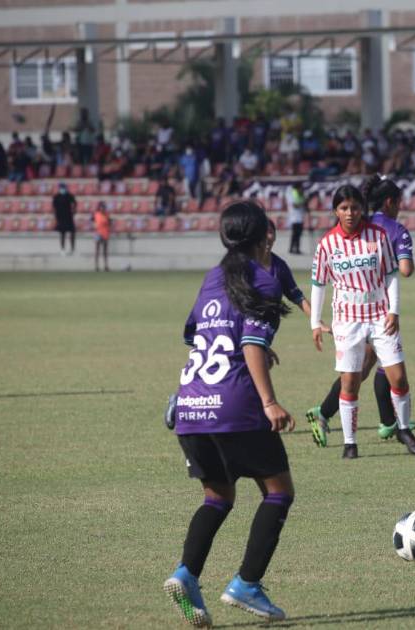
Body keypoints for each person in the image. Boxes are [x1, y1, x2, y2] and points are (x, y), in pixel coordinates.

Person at [164, 200, 295, 626]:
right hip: (234, 406)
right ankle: (246, 585)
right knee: (278, 492)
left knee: (218, 497)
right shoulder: (264, 278)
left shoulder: (212, 277)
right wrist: (270, 402)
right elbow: (251, 343)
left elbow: (195, 334)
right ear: (264, 237)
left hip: (191, 405)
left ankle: (186, 574)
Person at [306, 176, 415, 455]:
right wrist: (315, 322)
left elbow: (392, 274)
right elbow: (319, 284)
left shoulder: (378, 236)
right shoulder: (327, 244)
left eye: (355, 208)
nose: (350, 213)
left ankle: (403, 429)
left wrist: (394, 311)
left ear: (362, 209)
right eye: (344, 208)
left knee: (398, 377)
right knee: (350, 381)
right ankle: (350, 443)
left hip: (380, 315)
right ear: (336, 211)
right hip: (347, 320)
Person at [52, 182, 77, 254]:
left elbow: (75, 203)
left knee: (72, 232)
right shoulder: (56, 197)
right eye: (61, 187)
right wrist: (56, 217)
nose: (62, 189)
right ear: (59, 188)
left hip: (69, 216)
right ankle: (62, 249)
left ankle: (72, 249)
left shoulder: (69, 195)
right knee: (62, 233)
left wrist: (74, 210)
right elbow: (54, 207)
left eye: (63, 187)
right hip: (61, 217)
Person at [286, 184, 306, 255]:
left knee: (298, 234)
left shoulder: (300, 194)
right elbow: (295, 205)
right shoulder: (292, 194)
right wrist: (303, 203)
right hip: (294, 218)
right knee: (295, 234)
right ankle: (292, 248)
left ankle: (296, 248)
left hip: (300, 217)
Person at [92, 201, 110, 272]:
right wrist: (94, 226)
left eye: (103, 207)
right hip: (98, 233)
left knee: (105, 251)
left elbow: (109, 223)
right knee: (97, 250)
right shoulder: (96, 214)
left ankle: (106, 266)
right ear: (99, 208)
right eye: (101, 207)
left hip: (105, 233)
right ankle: (96, 266)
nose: (102, 208)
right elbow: (92, 221)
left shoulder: (107, 215)